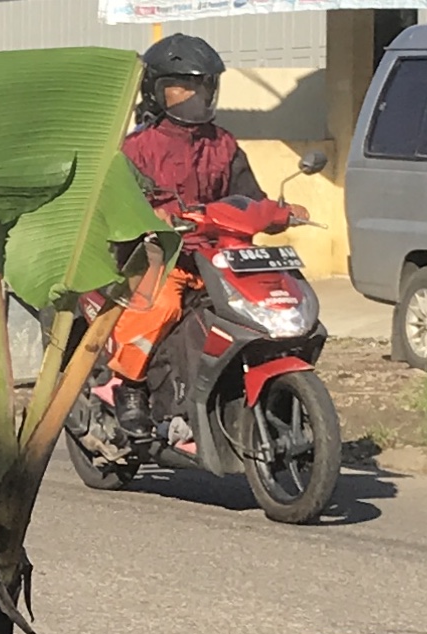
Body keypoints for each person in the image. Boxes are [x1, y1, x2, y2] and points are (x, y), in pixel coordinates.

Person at [107, 33, 307, 439]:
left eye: (201, 86)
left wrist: (282, 214)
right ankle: (131, 387)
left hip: (221, 259)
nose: (193, 95)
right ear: (156, 91)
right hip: (162, 258)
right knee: (160, 307)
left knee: (274, 303)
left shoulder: (223, 144)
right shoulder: (136, 148)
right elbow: (118, 206)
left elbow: (250, 198)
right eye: (181, 86)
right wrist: (153, 215)